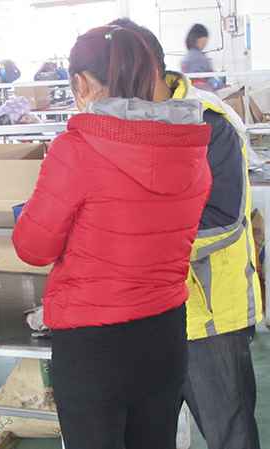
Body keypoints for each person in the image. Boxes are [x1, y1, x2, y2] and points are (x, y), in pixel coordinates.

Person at [12, 25, 212, 449]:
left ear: (82, 83)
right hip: (165, 332)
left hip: (94, 345)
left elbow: (32, 248)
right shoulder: (191, 146)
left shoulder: (77, 149)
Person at [111, 18, 263, 449]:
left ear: (149, 69)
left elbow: (224, 221)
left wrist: (132, 244)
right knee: (148, 431)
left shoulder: (209, 123)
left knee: (229, 433)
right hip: (142, 312)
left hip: (208, 318)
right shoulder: (122, 123)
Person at [182, 24, 223, 91]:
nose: (205, 45)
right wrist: (219, 84)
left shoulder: (189, 56)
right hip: (202, 92)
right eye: (204, 42)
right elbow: (202, 79)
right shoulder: (197, 57)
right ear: (197, 39)